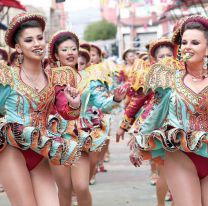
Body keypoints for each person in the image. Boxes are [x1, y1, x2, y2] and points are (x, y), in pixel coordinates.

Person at [0, 12, 81, 206]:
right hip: (12, 150)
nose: (37, 44)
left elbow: (68, 113)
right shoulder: (8, 78)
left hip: (40, 150)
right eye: (29, 40)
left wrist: (74, 103)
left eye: (39, 38)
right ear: (18, 48)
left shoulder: (56, 77)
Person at [130, 15, 208, 206]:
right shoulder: (169, 80)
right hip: (179, 154)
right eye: (184, 42)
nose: (188, 47)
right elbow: (155, 113)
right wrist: (138, 138)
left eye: (195, 42)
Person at [48, 30, 127, 206]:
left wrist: (115, 99)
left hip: (79, 135)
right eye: (65, 49)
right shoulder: (48, 78)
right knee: (65, 189)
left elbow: (101, 104)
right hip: (55, 137)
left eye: (73, 49)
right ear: (55, 54)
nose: (70, 53)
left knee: (81, 186)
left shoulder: (88, 78)